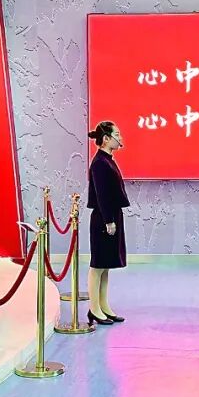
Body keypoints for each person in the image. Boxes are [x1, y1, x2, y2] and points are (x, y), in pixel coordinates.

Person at [86, 121, 130, 326]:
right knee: (98, 266)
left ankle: (104, 306)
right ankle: (94, 309)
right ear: (106, 139)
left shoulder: (107, 160)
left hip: (111, 215)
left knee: (106, 266)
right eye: (117, 135)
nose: (120, 138)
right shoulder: (100, 163)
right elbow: (102, 195)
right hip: (104, 218)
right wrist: (109, 221)